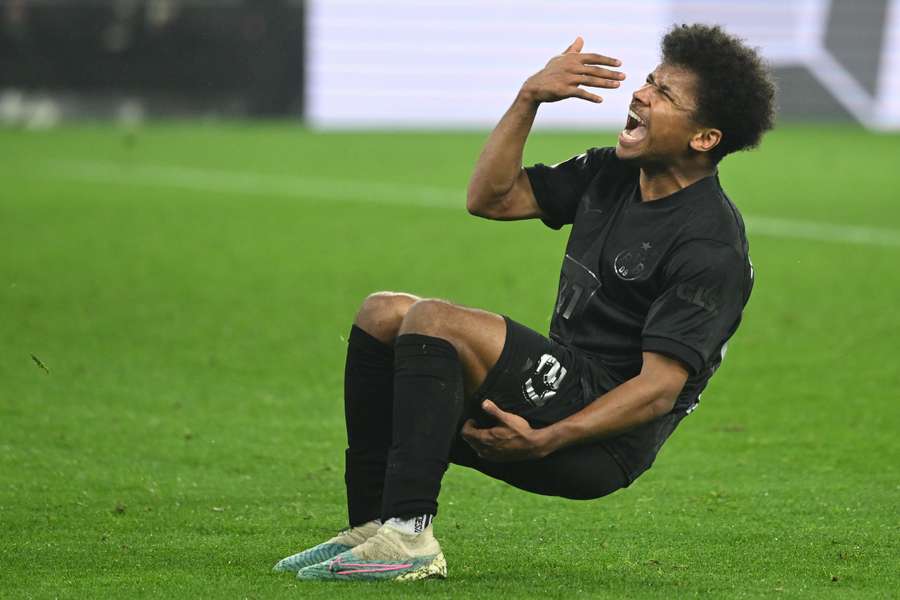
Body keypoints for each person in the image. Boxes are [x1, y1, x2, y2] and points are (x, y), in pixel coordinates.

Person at [274, 23, 775, 581]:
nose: (640, 93)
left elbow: (658, 391)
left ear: (704, 138)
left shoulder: (710, 245)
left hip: (600, 439)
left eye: (664, 94)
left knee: (433, 321)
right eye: (649, 81)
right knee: (381, 313)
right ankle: (372, 528)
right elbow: (490, 198)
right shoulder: (612, 172)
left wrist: (545, 440)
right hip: (560, 387)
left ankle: (410, 536)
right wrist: (528, 97)